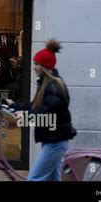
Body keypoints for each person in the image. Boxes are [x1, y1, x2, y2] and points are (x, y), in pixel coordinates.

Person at [6, 39, 76, 181]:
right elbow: (35, 106)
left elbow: (44, 115)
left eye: (37, 64)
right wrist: (14, 105)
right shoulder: (46, 84)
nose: (34, 67)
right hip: (52, 139)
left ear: (44, 67)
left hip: (56, 142)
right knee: (53, 179)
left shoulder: (54, 88)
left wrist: (24, 116)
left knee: (34, 178)